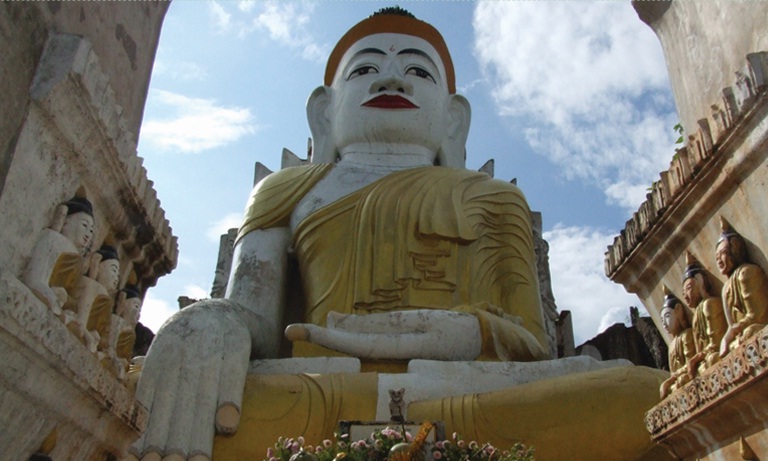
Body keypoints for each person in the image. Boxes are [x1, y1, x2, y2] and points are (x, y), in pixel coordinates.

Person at [129, 9, 550, 461]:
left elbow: (532, 345)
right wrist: (212, 322)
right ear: (324, 111)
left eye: (418, 71)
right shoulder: (286, 190)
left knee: (627, 394)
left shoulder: (496, 198)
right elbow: (258, 324)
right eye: (366, 69)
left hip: (468, 387)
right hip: (317, 388)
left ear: (453, 119)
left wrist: (458, 330)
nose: (393, 82)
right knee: (147, 388)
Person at [716, 221, 768, 355]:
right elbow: (731, 325)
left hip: (755, 327)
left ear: (736, 250)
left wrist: (738, 328)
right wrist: (727, 338)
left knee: (750, 334)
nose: (719, 260)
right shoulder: (725, 288)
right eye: (716, 257)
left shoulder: (747, 272)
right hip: (740, 335)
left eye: (723, 253)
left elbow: (758, 315)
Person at [681, 258, 726, 377]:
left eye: (689, 288)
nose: (685, 296)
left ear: (700, 283)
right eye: (683, 292)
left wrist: (696, 359)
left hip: (714, 354)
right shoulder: (696, 314)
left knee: (712, 360)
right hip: (705, 359)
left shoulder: (710, 304)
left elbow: (716, 342)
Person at [659, 291, 695, 399]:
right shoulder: (671, 346)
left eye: (667, 316)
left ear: (678, 311)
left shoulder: (687, 334)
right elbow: (673, 372)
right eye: (661, 320)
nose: (664, 323)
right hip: (679, 379)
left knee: (683, 381)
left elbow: (690, 362)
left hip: (687, 375)